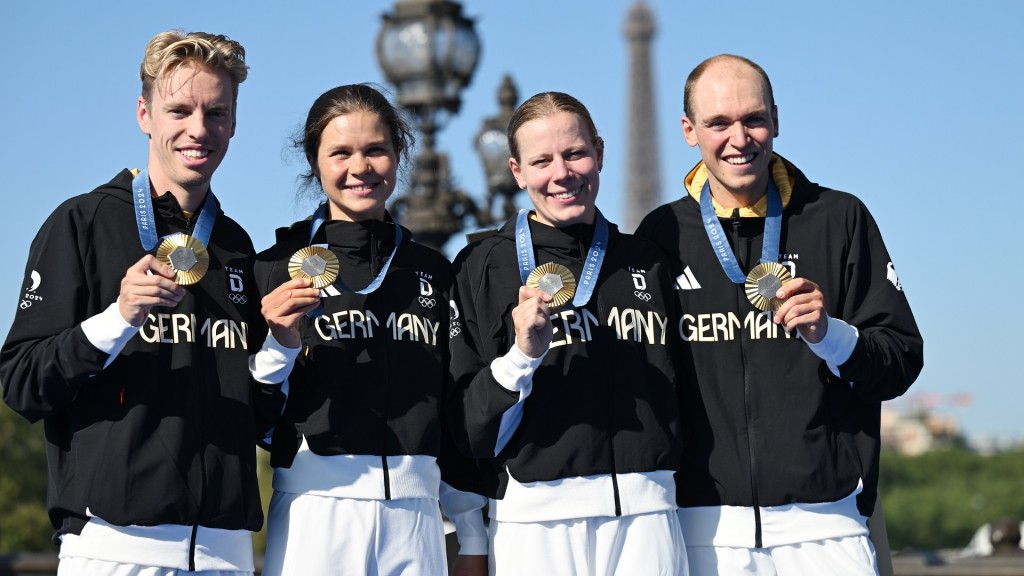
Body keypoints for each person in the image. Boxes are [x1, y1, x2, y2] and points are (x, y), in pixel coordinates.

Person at [635, 54, 924, 575]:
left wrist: (830, 334)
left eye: (754, 119)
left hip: (825, 527)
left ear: (777, 119)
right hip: (704, 533)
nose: (739, 138)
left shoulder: (838, 218)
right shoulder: (660, 236)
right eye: (718, 123)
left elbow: (901, 359)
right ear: (688, 130)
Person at [0, 30, 275, 575]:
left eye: (216, 113)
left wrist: (284, 346)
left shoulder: (238, 248)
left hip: (228, 552)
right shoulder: (80, 224)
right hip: (113, 547)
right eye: (180, 110)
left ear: (234, 123)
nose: (199, 129)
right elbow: (21, 384)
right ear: (144, 113)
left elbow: (258, 416)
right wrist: (116, 319)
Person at [250, 83, 487, 576]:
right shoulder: (275, 268)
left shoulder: (434, 270)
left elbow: (453, 405)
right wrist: (279, 343)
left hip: (417, 516)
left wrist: (471, 532)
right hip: (318, 509)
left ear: (399, 155)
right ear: (314, 163)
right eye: (340, 153)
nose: (360, 167)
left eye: (376, 150)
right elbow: (251, 414)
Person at [449, 91, 688, 575]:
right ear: (516, 171)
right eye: (542, 161)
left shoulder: (648, 260)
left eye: (575, 153)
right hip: (537, 521)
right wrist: (519, 357)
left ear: (599, 152)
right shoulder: (481, 267)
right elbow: (462, 425)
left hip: (649, 515)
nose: (562, 173)